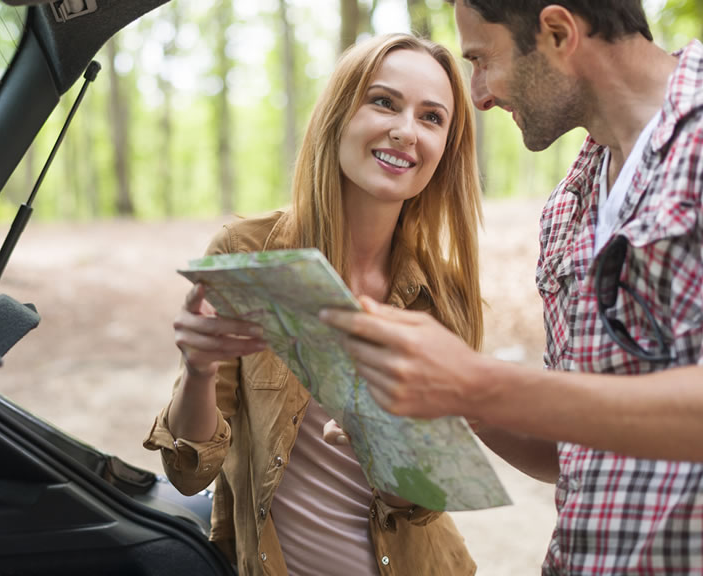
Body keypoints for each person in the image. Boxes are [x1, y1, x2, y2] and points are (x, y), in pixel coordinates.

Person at [321, 1, 703, 574]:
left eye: (482, 60)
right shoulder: (567, 208)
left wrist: (476, 383)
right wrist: (454, 407)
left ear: (557, 33)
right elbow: (575, 447)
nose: (477, 96)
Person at [144, 33, 482, 576]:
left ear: (445, 149)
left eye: (432, 117)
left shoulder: (444, 296)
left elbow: (418, 503)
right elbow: (188, 474)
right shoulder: (247, 254)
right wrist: (198, 369)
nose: (405, 130)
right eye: (384, 102)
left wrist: (390, 446)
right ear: (339, 114)